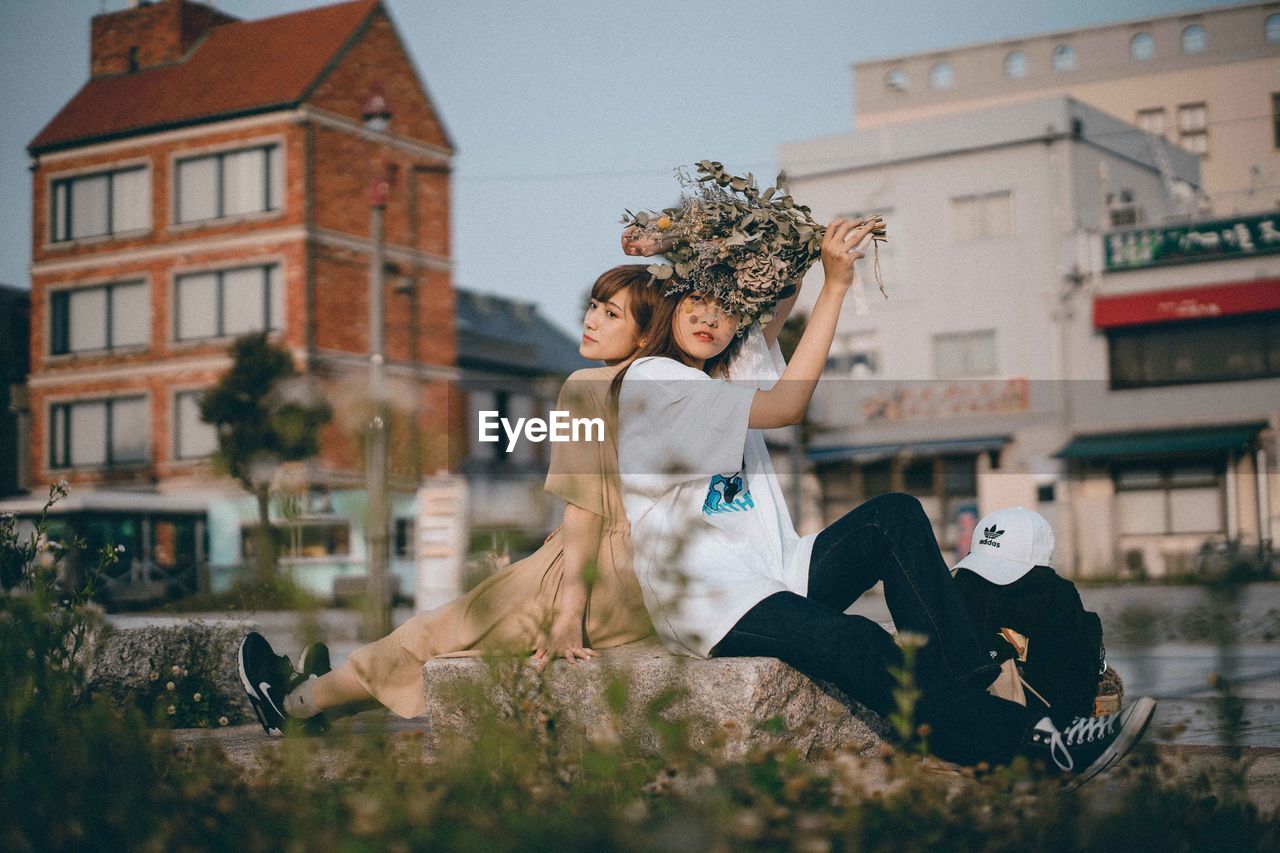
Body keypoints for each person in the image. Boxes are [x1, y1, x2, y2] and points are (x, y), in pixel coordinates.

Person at [615, 218, 1155, 783]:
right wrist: (836, 285)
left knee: (893, 515)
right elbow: (785, 407)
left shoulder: (724, 371)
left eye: (727, 310)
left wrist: (819, 261)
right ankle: (1029, 749)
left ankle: (973, 682)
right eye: (696, 301)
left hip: (777, 572)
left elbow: (780, 289)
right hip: (709, 600)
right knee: (857, 641)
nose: (710, 318)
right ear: (670, 302)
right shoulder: (656, 379)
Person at [238, 265, 660, 735]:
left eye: (612, 314)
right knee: (457, 637)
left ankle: (293, 704)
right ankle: (324, 702)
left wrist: (567, 616)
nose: (592, 320)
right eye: (594, 307)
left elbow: (585, 507)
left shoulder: (590, 386)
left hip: (592, 579)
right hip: (637, 589)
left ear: (644, 337)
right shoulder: (664, 391)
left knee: (434, 633)